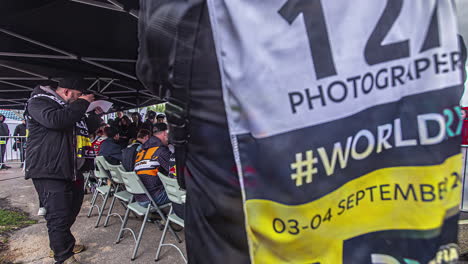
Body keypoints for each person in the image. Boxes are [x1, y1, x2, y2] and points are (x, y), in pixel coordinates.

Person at [25, 78, 101, 264]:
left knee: (71, 210)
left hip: (71, 169)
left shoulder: (68, 109)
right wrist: (83, 103)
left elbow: (82, 127)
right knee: (58, 214)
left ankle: (62, 243)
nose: (78, 100)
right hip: (50, 168)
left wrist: (95, 115)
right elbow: (56, 121)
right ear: (67, 91)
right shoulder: (39, 102)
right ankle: (63, 256)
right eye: (77, 96)